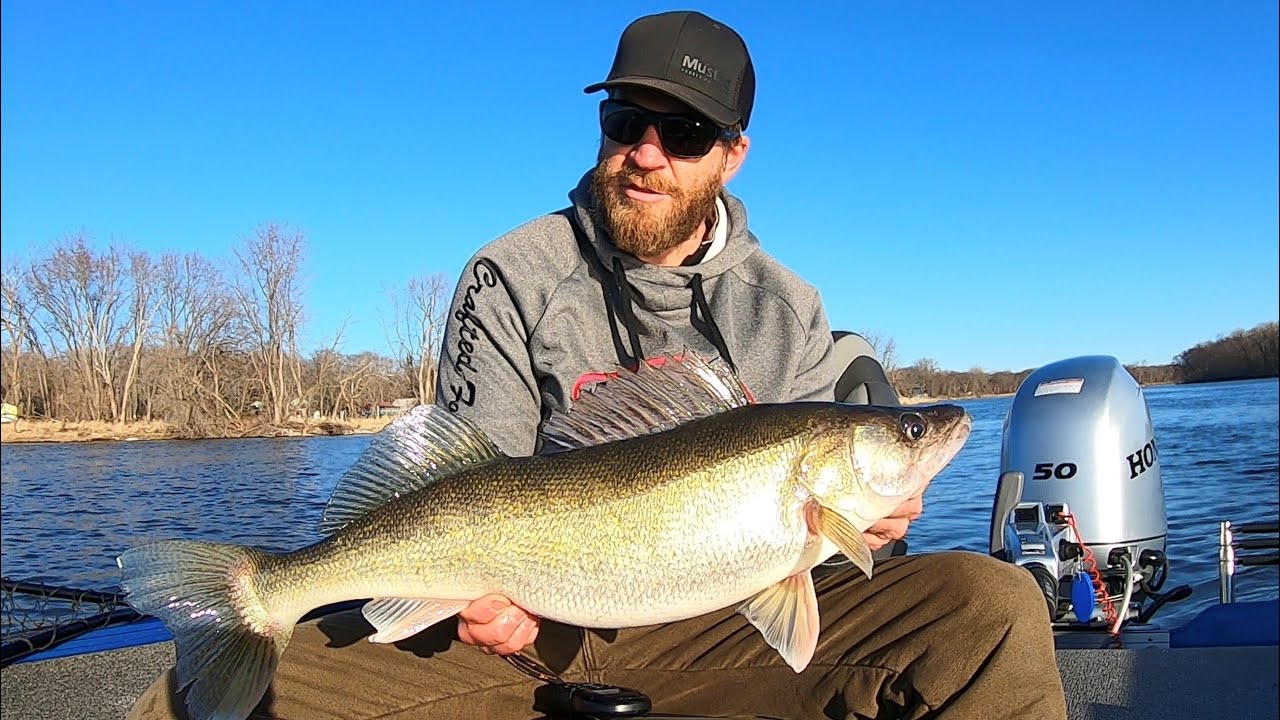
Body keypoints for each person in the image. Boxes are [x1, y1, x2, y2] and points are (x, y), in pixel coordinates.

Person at [127, 10, 1067, 720]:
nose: (647, 154)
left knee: (992, 606)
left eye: (685, 133)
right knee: (187, 702)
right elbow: (463, 471)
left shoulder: (785, 308)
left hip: (717, 631)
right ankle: (263, 593)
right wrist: (483, 607)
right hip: (532, 641)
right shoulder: (510, 274)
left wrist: (883, 520)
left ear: (733, 155)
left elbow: (830, 567)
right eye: (626, 121)